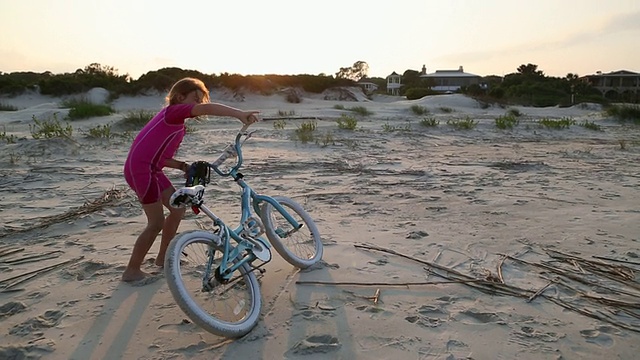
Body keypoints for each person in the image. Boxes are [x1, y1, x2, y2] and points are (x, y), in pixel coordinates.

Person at [122, 77, 259, 282]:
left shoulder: (177, 125)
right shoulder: (172, 113)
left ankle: (162, 259)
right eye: (196, 99)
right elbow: (208, 110)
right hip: (141, 170)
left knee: (177, 209)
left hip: (152, 170)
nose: (199, 105)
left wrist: (183, 166)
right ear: (180, 97)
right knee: (156, 222)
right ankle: (131, 271)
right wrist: (239, 114)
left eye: (201, 100)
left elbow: (161, 157)